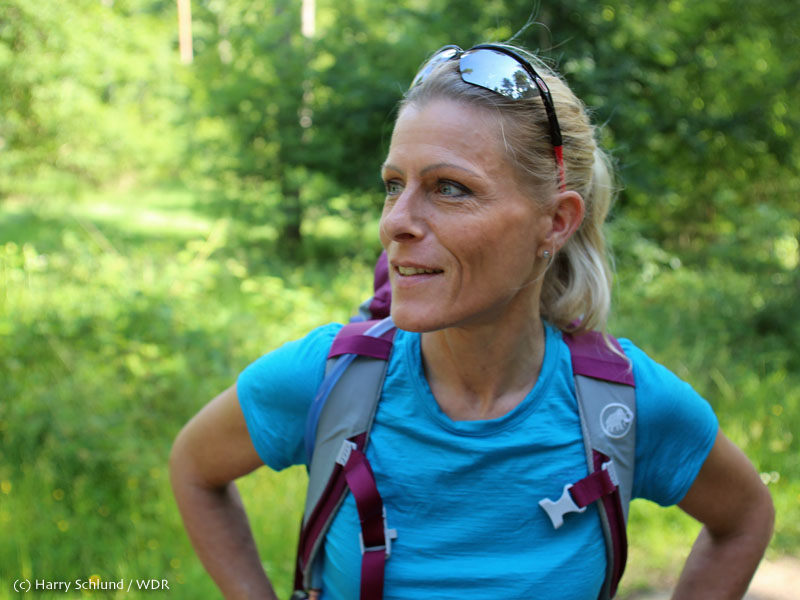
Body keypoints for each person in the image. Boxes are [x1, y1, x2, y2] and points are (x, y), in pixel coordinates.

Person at [169, 42, 774, 599]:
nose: (395, 222)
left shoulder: (623, 406)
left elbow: (745, 517)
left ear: (555, 222)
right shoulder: (331, 379)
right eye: (393, 185)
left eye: (450, 189)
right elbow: (194, 468)